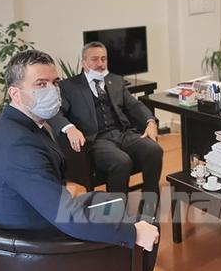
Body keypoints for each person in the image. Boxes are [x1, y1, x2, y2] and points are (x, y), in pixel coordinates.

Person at [0, 50, 180, 271]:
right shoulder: (19, 143)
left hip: (37, 218)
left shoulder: (18, 125)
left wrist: (62, 188)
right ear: (15, 93)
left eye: (54, 82)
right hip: (39, 239)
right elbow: (67, 217)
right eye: (40, 84)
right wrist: (132, 232)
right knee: (144, 229)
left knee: (116, 206)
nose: (52, 90)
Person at [48, 41, 162, 211]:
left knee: (154, 150)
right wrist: (69, 128)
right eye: (95, 59)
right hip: (96, 140)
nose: (101, 64)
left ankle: (149, 208)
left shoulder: (115, 81)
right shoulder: (69, 87)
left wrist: (150, 122)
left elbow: (135, 106)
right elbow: (54, 113)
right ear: (84, 62)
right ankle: (116, 214)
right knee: (121, 161)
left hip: (123, 133)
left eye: (104, 59)